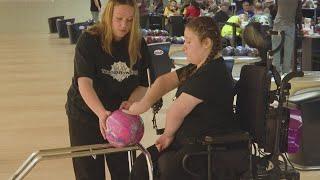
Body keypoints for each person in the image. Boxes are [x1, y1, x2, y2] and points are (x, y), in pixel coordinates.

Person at [128, 16, 240, 179]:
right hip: (188, 141)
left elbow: (177, 110)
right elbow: (164, 81)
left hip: (207, 146)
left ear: (206, 43)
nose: (184, 47)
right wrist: (141, 105)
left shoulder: (212, 74)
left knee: (157, 168)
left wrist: (167, 135)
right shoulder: (197, 68)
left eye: (188, 42)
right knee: (142, 165)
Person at [65, 0, 153, 179]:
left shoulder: (138, 43)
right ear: (107, 17)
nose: (124, 25)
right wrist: (101, 113)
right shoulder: (89, 40)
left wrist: (131, 101)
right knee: (89, 173)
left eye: (129, 20)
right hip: (86, 114)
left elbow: (143, 84)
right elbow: (84, 83)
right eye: (119, 19)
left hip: (121, 119)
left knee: (123, 172)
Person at [272, 0, 299, 74]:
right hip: (290, 24)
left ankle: (276, 71)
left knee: (276, 48)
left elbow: (275, 8)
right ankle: (286, 72)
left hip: (278, 23)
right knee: (288, 50)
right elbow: (298, 12)